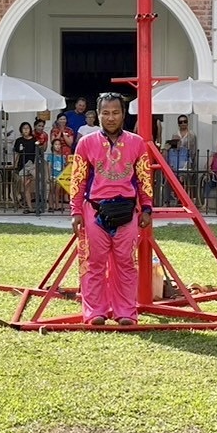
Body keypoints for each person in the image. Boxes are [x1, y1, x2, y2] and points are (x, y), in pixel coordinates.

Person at [69, 92, 154, 325]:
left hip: (127, 212)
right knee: (93, 263)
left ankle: (125, 312)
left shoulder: (137, 143)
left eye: (116, 112)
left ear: (123, 114)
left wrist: (147, 208)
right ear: (98, 115)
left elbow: (144, 178)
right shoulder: (86, 143)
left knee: (126, 263)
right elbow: (78, 179)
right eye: (105, 113)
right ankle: (95, 312)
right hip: (94, 211)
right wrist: (76, 211)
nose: (111, 117)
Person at [13, 121, 39, 213]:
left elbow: (37, 153)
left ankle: (30, 204)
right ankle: (29, 207)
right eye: (24, 128)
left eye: (27, 128)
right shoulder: (18, 141)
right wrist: (15, 164)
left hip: (31, 164)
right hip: (22, 165)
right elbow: (17, 153)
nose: (26, 130)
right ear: (21, 130)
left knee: (35, 177)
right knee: (26, 187)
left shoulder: (34, 140)